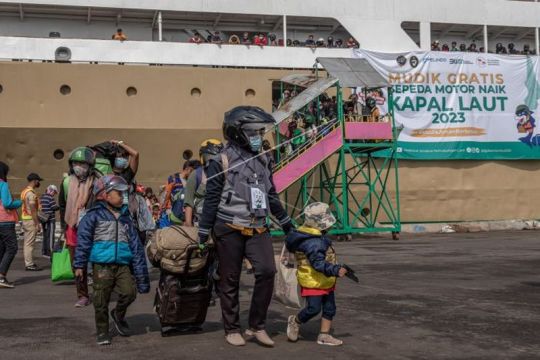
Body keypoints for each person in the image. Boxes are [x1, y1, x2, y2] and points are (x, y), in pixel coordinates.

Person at [198, 106, 293, 347]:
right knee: (230, 279)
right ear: (237, 132)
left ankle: (256, 326)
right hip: (228, 226)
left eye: (261, 132)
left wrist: (285, 222)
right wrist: (202, 232)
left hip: (258, 226)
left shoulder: (264, 158)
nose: (259, 137)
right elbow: (211, 198)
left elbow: (270, 193)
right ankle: (232, 328)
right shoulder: (221, 160)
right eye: (254, 132)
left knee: (266, 271)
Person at [74, 175, 150, 346]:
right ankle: (102, 330)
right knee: (101, 299)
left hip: (122, 264)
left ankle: (118, 314)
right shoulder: (93, 216)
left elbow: (136, 247)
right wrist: (79, 264)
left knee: (129, 292)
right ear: (105, 195)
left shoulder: (126, 218)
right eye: (119, 193)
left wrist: (141, 277)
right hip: (102, 265)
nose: (123, 197)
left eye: (124, 193)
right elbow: (84, 240)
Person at [285, 202, 347, 346]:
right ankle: (296, 320)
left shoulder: (317, 237)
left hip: (325, 279)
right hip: (313, 280)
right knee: (313, 308)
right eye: (328, 223)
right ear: (320, 224)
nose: (330, 225)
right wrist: (335, 270)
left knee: (330, 308)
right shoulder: (314, 242)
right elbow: (318, 264)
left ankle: (324, 335)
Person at [59, 147, 98, 307]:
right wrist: (64, 226)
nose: (78, 166)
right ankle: (82, 295)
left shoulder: (96, 182)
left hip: (93, 228)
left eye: (82, 163)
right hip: (72, 228)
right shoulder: (67, 182)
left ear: (90, 165)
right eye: (75, 163)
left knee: (97, 261)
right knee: (77, 264)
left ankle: (101, 291)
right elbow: (62, 204)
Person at [183, 139, 224, 227]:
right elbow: (188, 203)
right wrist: (189, 227)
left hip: (221, 223)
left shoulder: (226, 174)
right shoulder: (196, 175)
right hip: (200, 223)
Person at [0, 162, 22, 288]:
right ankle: (2, 276)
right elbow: (8, 203)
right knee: (12, 248)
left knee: (1, 248)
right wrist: (19, 202)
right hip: (5, 221)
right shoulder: (2, 184)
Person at [21, 172, 43, 271]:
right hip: (30, 220)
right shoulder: (31, 193)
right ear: (35, 181)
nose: (39, 183)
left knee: (27, 242)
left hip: (25, 219)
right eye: (38, 181)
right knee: (29, 244)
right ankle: (29, 264)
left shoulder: (24, 191)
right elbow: (33, 209)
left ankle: (29, 263)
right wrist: (37, 223)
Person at [40, 185, 60, 258]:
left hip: (43, 219)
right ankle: (50, 252)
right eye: (54, 192)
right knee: (51, 236)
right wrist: (60, 206)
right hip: (50, 220)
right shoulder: (50, 198)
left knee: (45, 236)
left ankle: (44, 252)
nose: (54, 194)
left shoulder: (42, 197)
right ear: (51, 190)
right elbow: (54, 207)